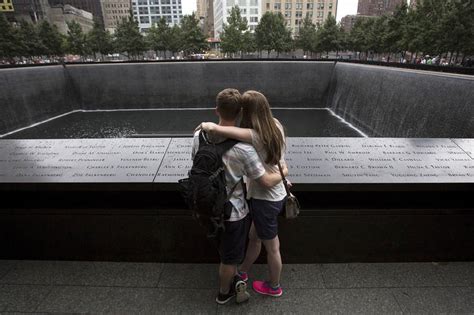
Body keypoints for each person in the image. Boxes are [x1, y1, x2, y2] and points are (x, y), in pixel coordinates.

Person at [192, 88, 287, 305]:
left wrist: (210, 126)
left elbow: (199, 158)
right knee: (243, 246)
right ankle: (233, 282)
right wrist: (284, 173)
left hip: (221, 203)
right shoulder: (267, 132)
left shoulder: (201, 136)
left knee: (261, 244)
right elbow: (264, 173)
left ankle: (261, 281)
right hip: (245, 206)